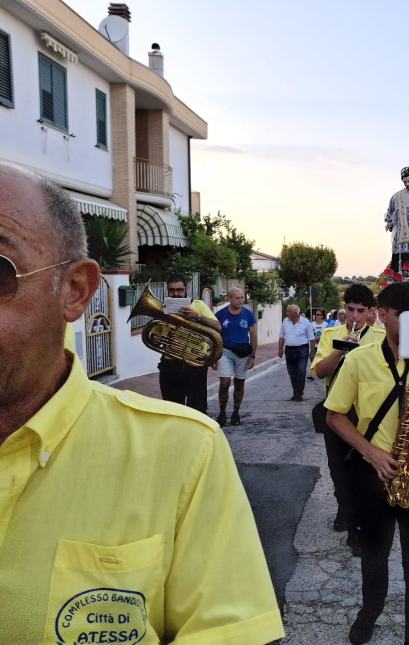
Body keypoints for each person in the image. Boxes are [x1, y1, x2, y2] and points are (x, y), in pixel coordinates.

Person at [0, 162, 284, 644]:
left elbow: (212, 339)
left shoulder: (182, 450)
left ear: (75, 291)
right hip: (170, 370)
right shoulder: (171, 311)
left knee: (197, 406)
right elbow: (144, 331)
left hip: (195, 370)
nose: (172, 295)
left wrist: (204, 333)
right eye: (169, 292)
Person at [325, 282, 409, 644]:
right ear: (382, 315)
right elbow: (334, 417)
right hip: (374, 472)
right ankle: (369, 614)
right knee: (373, 560)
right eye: (402, 315)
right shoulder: (359, 359)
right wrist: (371, 453)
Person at [311, 284, 384, 555]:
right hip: (338, 410)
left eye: (360, 311)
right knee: (337, 467)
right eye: (350, 309)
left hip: (368, 411)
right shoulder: (332, 334)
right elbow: (319, 372)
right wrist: (341, 349)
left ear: (370, 312)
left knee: (363, 469)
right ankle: (344, 507)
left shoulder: (380, 337)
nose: (354, 316)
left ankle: (358, 526)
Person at [156, 274, 221, 413]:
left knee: (197, 409)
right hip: (170, 364)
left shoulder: (198, 305)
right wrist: (157, 337)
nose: (176, 294)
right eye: (172, 290)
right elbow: (156, 333)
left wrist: (197, 316)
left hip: (195, 364)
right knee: (172, 410)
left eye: (179, 290)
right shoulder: (162, 309)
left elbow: (218, 327)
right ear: (167, 291)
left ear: (187, 289)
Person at [214, 288, 258, 426]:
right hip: (225, 351)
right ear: (230, 299)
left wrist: (253, 355)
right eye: (237, 298)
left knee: (239, 383)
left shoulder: (248, 314)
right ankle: (222, 412)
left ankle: (236, 412)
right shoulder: (220, 314)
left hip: (243, 352)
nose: (240, 300)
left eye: (242, 298)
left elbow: (254, 335)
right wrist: (214, 356)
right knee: (225, 382)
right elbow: (215, 335)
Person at [278, 304, 315, 402]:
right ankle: (295, 393)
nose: (286, 313)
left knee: (301, 371)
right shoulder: (285, 321)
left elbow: (311, 339)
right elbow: (282, 336)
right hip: (289, 350)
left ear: (295, 313)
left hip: (302, 349)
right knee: (292, 373)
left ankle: (299, 393)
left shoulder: (306, 322)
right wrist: (280, 349)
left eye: (288, 311)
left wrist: (312, 352)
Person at [309, 308, 328, 380]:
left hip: (322, 346)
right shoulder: (311, 324)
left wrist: (320, 337)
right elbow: (310, 334)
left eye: (318, 315)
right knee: (312, 358)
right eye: (316, 314)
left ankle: (320, 372)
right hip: (313, 345)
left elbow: (327, 335)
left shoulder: (326, 324)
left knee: (320, 359)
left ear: (322, 316)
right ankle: (312, 374)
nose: (316, 316)